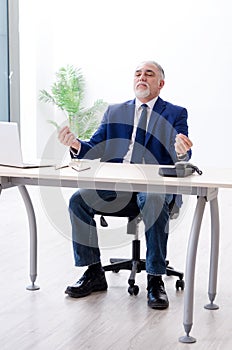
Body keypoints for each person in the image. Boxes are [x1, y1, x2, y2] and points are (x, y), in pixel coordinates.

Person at [58, 60, 193, 309]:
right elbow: (94, 146)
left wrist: (181, 151)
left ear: (160, 84)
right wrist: (76, 144)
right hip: (118, 186)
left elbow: (182, 152)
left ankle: (155, 279)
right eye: (138, 73)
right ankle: (94, 273)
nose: (142, 77)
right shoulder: (115, 111)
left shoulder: (175, 113)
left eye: (149, 74)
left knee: (152, 199)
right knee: (79, 200)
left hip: (154, 188)